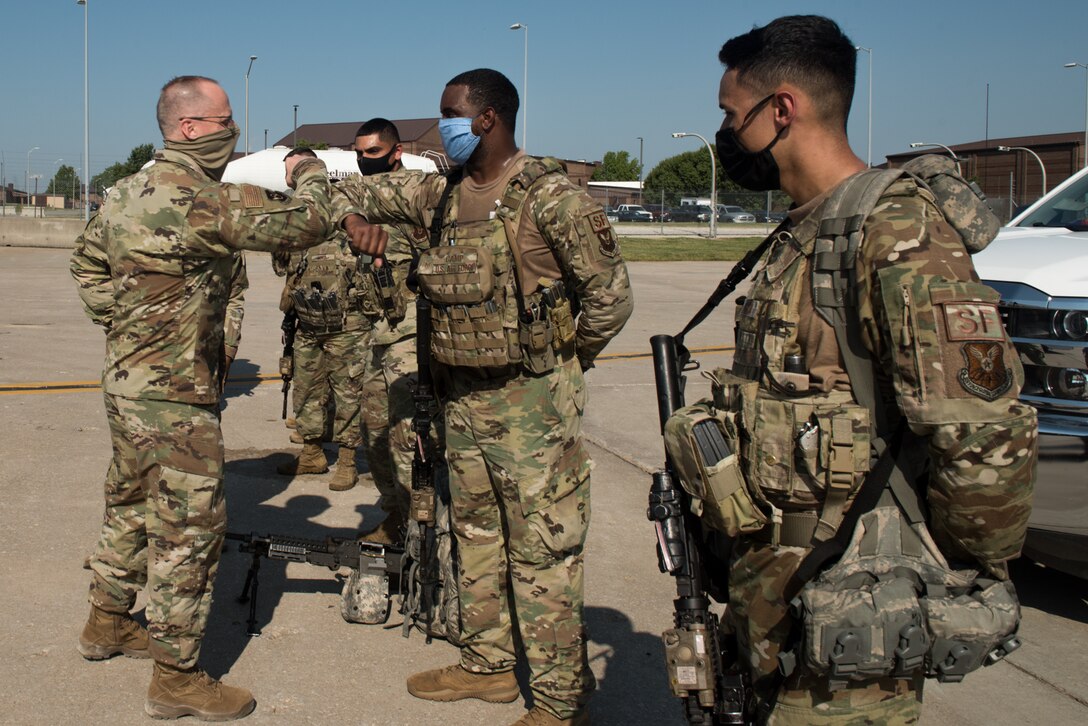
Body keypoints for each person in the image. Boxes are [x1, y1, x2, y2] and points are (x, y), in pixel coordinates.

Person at [710, 16, 1036, 723]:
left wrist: (961, 576)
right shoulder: (804, 227)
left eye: (733, 116)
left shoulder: (894, 229)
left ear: (783, 109)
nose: (728, 135)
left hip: (852, 594)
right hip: (779, 587)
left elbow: (980, 434)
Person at [335, 69, 634, 726]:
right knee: (474, 537)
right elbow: (344, 187)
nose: (437, 125)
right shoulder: (439, 195)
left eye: (448, 114)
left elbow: (610, 300)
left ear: (486, 119)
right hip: (461, 404)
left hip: (531, 410)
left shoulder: (552, 199)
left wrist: (560, 362)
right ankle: (489, 667)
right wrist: (353, 215)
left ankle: (558, 702)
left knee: (544, 553)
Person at [70, 75, 338, 721]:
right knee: (190, 531)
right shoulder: (200, 200)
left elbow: (86, 263)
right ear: (189, 127)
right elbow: (312, 221)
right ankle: (177, 678)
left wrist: (131, 326)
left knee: (129, 503)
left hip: (128, 386)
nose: (233, 130)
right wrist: (309, 170)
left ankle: (106, 622)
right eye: (225, 120)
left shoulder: (125, 192)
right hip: (176, 399)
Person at [352, 117, 433, 544]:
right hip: (377, 333)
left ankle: (423, 528)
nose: (365, 161)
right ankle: (395, 515)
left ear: (396, 152)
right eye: (359, 154)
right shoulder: (357, 197)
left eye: (374, 154)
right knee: (375, 432)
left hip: (411, 336)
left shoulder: (418, 190)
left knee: (409, 437)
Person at [274, 148, 370, 492]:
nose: (290, 174)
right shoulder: (292, 210)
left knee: (348, 391)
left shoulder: (341, 201)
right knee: (307, 390)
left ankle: (347, 460)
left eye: (294, 168)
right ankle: (312, 453)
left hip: (347, 321)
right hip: (307, 319)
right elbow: (281, 265)